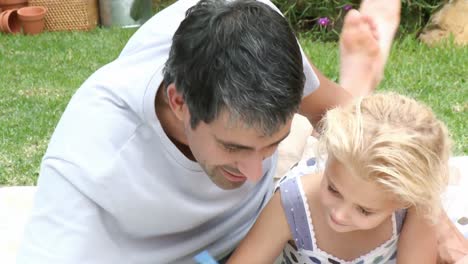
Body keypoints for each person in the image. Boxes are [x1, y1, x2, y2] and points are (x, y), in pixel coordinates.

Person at [16, 0, 401, 263]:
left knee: (333, 166)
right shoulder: (87, 161)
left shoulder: (256, 27)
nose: (252, 174)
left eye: (270, 140)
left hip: (269, 215)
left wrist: (431, 212)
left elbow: (339, 117)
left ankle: (355, 81)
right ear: (179, 102)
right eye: (232, 146)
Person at [227, 92, 452, 264]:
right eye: (333, 189)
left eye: (364, 210)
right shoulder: (292, 204)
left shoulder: (414, 205)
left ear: (403, 201)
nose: (339, 214)